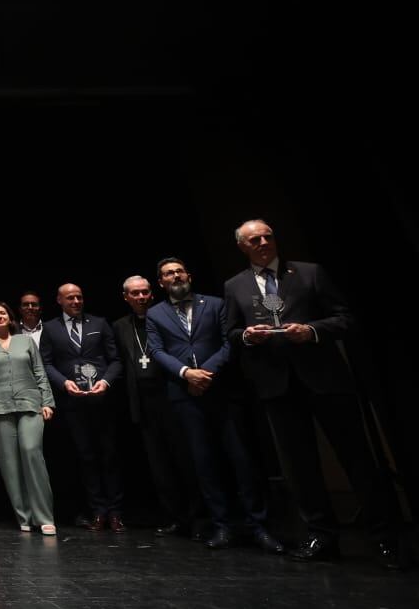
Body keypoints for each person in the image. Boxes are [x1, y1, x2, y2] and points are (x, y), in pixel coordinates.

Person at [224, 219, 400, 567]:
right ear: (243, 247)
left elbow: (345, 319)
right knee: (300, 467)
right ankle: (322, 536)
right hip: (276, 384)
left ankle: (385, 539)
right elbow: (230, 333)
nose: (263, 242)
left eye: (267, 236)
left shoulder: (308, 273)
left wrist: (312, 331)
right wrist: (248, 336)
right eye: (254, 239)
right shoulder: (234, 286)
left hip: (324, 379)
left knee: (357, 459)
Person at [146, 258, 282, 554]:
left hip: (222, 390)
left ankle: (258, 525)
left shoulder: (216, 303)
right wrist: (186, 374)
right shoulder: (155, 314)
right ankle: (221, 525)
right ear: (161, 282)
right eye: (168, 274)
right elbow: (156, 350)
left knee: (242, 460)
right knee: (204, 463)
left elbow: (228, 341)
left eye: (179, 271)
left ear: (189, 275)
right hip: (185, 395)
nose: (175, 276)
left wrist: (206, 372)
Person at [111, 274, 202, 537]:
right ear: (126, 297)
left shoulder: (166, 316)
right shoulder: (120, 326)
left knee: (186, 460)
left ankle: (197, 517)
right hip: (144, 404)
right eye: (135, 293)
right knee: (159, 465)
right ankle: (174, 517)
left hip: (173, 397)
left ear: (152, 293)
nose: (141, 297)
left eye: (145, 292)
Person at [40, 283, 124, 531]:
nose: (76, 301)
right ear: (59, 300)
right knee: (85, 456)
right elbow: (46, 363)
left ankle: (116, 512)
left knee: (109, 455)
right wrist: (63, 382)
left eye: (79, 297)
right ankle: (98, 510)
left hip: (102, 401)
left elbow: (116, 360)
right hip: (72, 403)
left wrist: (106, 382)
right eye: (70, 298)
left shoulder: (99, 323)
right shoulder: (50, 328)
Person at [0, 300, 56, 535]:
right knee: (10, 464)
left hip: (30, 404)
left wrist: (47, 402)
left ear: (10, 317)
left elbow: (40, 372)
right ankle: (24, 516)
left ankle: (44, 516)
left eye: (2, 313)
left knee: (31, 453)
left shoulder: (25, 341)